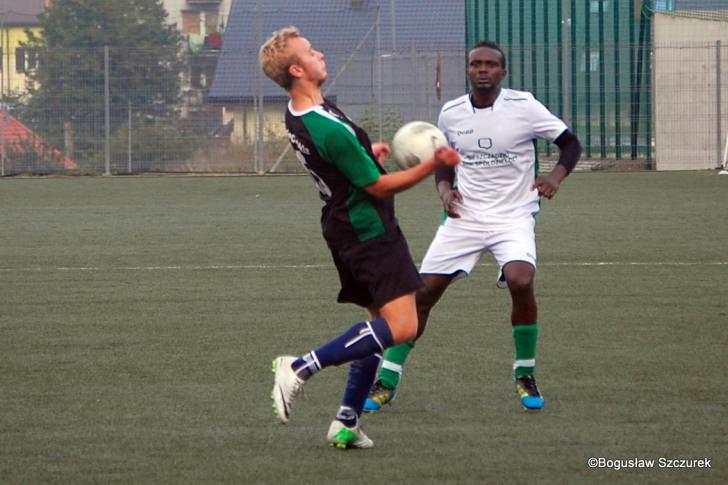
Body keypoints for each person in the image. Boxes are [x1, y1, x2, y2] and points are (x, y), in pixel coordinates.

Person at [259, 26, 460, 449]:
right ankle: (299, 367)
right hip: (368, 231)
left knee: (379, 325)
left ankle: (346, 422)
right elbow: (378, 187)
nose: (321, 53)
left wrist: (370, 154)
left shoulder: (304, 109)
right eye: (311, 52)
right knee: (403, 327)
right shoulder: (325, 124)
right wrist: (431, 166)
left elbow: (342, 160)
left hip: (343, 225)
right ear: (297, 69)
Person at [364, 40, 582, 412]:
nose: (483, 69)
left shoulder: (524, 106)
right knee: (422, 296)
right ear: (467, 70)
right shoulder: (451, 113)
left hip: (513, 216)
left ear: (503, 71)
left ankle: (524, 373)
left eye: (491, 64)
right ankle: (386, 381)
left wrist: (556, 177)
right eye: (476, 64)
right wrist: (445, 189)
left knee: (521, 280)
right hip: (463, 218)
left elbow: (570, 144)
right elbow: (445, 160)